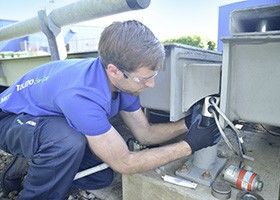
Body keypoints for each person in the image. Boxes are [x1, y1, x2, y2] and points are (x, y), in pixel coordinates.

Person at [0, 20, 219, 199]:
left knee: (101, 176)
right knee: (66, 141)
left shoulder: (122, 83)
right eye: (145, 79)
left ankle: (38, 165)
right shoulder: (82, 95)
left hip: (47, 118)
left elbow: (145, 133)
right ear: (114, 71)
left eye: (153, 76)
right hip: (10, 119)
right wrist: (189, 146)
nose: (151, 85)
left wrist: (187, 124)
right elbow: (124, 162)